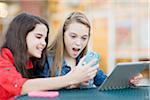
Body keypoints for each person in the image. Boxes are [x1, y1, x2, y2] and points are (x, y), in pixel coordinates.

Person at [0, 13, 98, 99]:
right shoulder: (2, 60)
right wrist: (72, 78)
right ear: (21, 35)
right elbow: (22, 87)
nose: (43, 43)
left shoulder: (31, 62)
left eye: (45, 38)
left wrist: (74, 84)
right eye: (38, 37)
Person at [35, 11, 143, 88]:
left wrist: (128, 80)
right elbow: (39, 88)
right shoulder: (46, 59)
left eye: (84, 38)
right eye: (73, 36)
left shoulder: (88, 62)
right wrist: (75, 82)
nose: (78, 43)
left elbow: (107, 83)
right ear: (62, 35)